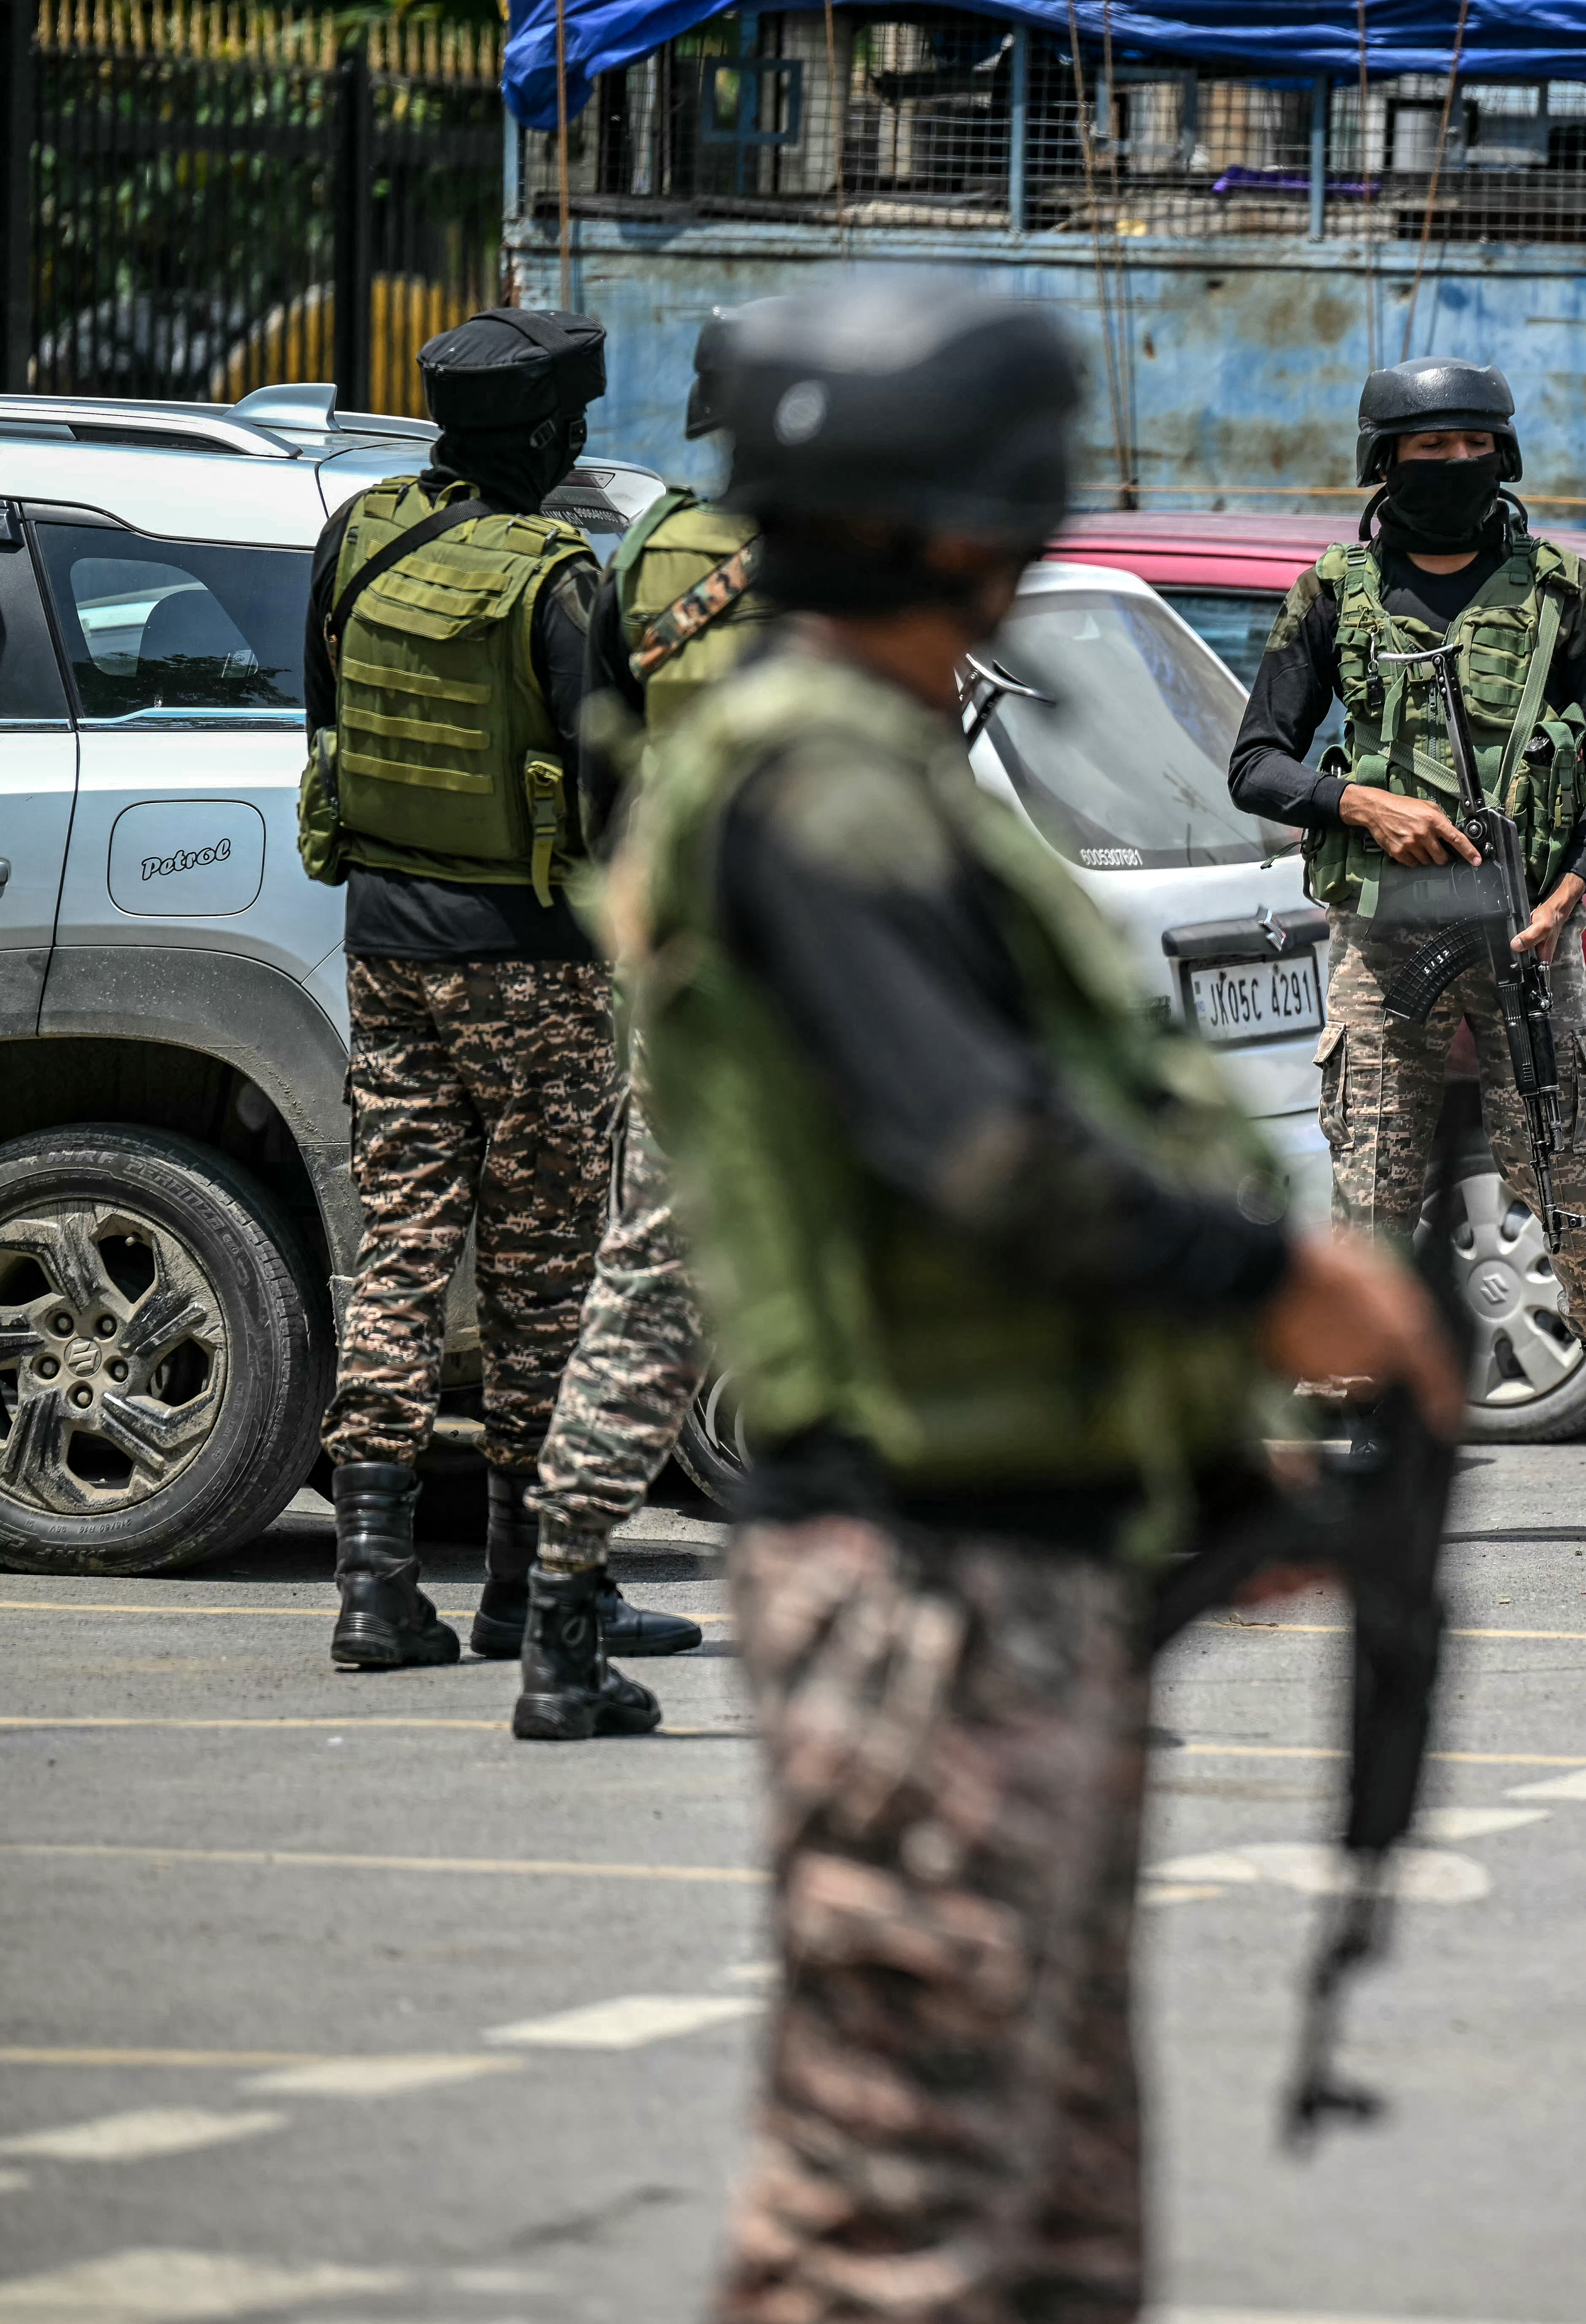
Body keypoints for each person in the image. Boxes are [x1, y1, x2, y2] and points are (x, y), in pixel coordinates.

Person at [619, 281, 1455, 2323]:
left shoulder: (882, 765)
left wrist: (1188, 1455)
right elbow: (982, 1152)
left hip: (1021, 1553)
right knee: (886, 2230)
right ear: (977, 528)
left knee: (1060, 2230)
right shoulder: (814, 782)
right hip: (923, 1597)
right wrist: (1286, 1286)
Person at [296, 306, 675, 1676]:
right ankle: (533, 1584)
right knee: (541, 1270)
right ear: (558, 438)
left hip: (385, 947)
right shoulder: (560, 577)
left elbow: (324, 716)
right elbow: (615, 789)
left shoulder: (360, 534)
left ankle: (373, 1589)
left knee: (399, 1252)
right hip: (532, 968)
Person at [1227, 356, 1586, 1450]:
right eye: (1429, 448)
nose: (1453, 465)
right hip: (1386, 933)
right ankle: (1368, 1437)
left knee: (1573, 1183)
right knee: (1370, 1187)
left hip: (1525, 935)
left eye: (1472, 447)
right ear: (1386, 459)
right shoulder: (1335, 595)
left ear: (1501, 455)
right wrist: (1360, 802)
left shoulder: (1562, 593)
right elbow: (1256, 765)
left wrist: (1571, 889)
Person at [507, 308, 775, 1742]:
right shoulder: (855, 557)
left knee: (644, 1286)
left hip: (679, 976)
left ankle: (559, 1625)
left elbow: (601, 763)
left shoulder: (656, 543)